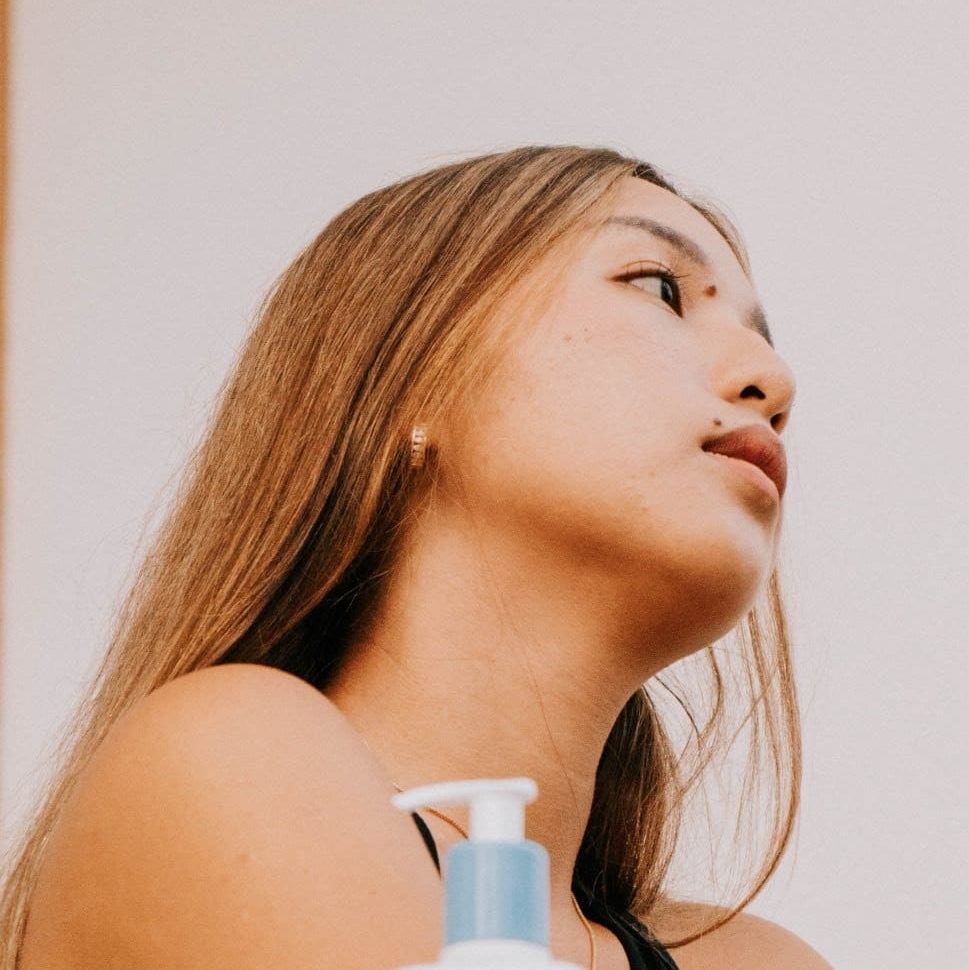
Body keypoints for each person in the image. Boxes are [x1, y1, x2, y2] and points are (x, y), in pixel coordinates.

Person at [1, 145, 832, 968]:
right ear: (416, 375)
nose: (773, 378)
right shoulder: (225, 765)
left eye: (762, 335)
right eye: (659, 287)